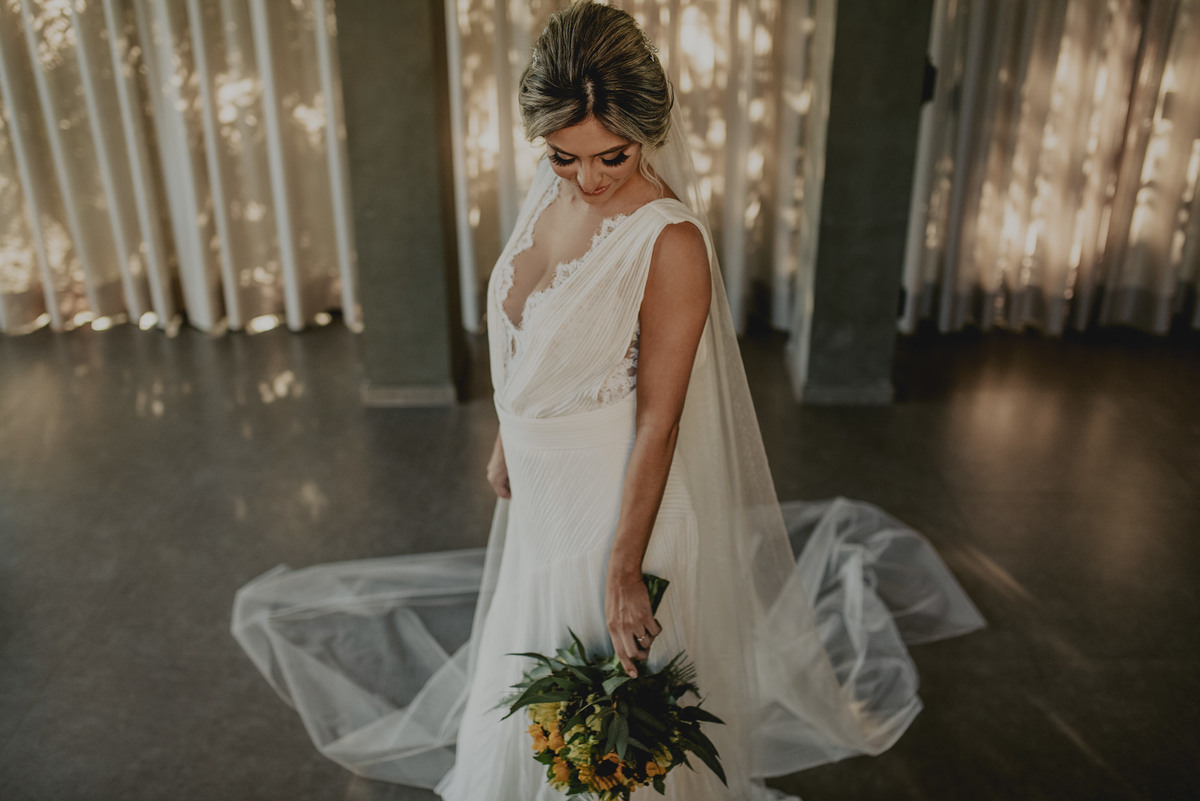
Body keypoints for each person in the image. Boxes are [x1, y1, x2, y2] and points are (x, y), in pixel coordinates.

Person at [232, 3, 985, 799]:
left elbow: (661, 419)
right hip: (541, 500)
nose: (586, 179)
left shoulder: (669, 243)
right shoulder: (550, 195)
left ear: (649, 132)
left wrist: (625, 569)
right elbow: (530, 335)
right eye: (562, 156)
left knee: (605, 730)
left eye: (610, 158)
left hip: (614, 510)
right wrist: (507, 434)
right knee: (533, 688)